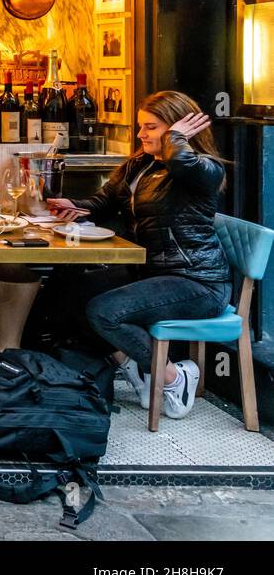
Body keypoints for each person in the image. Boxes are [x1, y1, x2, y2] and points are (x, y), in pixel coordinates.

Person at [47, 90, 230, 420]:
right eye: (141, 127)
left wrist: (176, 138)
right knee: (67, 286)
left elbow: (183, 162)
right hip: (151, 273)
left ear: (180, 128)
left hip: (196, 282)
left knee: (105, 311)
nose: (142, 134)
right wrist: (76, 207)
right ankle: (140, 370)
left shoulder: (204, 169)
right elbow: (104, 202)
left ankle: (174, 377)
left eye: (152, 127)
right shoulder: (140, 166)